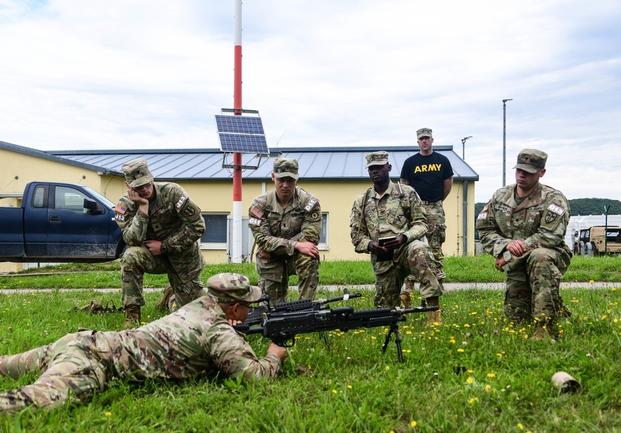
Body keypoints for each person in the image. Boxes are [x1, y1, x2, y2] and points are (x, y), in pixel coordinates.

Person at [0, 273, 288, 413]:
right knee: (32, 402)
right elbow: (253, 377)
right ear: (234, 307)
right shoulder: (217, 330)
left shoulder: (197, 306)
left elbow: (209, 335)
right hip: (93, 362)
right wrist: (274, 355)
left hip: (82, 341)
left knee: (7, 365)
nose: (250, 310)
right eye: (247, 305)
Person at [476, 149, 572, 339]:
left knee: (540, 258)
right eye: (519, 170)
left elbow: (549, 236)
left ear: (541, 172)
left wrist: (510, 254)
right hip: (515, 260)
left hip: (550, 254)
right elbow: (485, 229)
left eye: (528, 172)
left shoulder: (553, 199)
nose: (522, 175)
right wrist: (505, 246)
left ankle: (543, 327)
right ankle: (556, 306)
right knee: (516, 318)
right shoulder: (500, 196)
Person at [350, 151, 442, 321]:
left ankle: (434, 318)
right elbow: (357, 236)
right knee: (385, 311)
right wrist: (370, 245)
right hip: (382, 256)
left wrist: (404, 237)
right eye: (371, 169)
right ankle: (397, 307)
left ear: (389, 168)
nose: (375, 171)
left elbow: (421, 224)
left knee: (419, 250)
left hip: (405, 248)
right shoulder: (362, 201)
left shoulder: (406, 193)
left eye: (379, 167)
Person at [114, 159, 205, 326]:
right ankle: (131, 317)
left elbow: (197, 226)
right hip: (152, 257)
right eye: (139, 187)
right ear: (128, 186)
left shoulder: (172, 192)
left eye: (147, 184)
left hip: (182, 258)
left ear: (151, 178)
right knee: (130, 257)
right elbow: (131, 239)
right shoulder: (124, 205)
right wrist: (142, 208)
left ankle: (171, 297)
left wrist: (164, 246)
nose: (145, 189)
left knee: (192, 315)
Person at [249, 158, 321, 304]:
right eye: (281, 179)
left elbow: (310, 237)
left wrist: (286, 245)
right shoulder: (259, 205)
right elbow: (262, 239)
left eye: (290, 180)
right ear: (273, 177)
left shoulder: (309, 203)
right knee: (272, 309)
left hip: (296, 257)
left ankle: (305, 307)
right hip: (271, 258)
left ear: (297, 179)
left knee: (310, 254)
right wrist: (296, 245)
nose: (285, 185)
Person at [399, 128, 453, 307]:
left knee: (435, 249)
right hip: (415, 211)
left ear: (432, 140)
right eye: (421, 139)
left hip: (435, 208)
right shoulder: (410, 163)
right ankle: (407, 290)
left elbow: (447, 185)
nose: (424, 141)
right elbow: (404, 188)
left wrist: (436, 203)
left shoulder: (442, 161)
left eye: (427, 138)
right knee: (412, 249)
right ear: (417, 142)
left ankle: (435, 289)